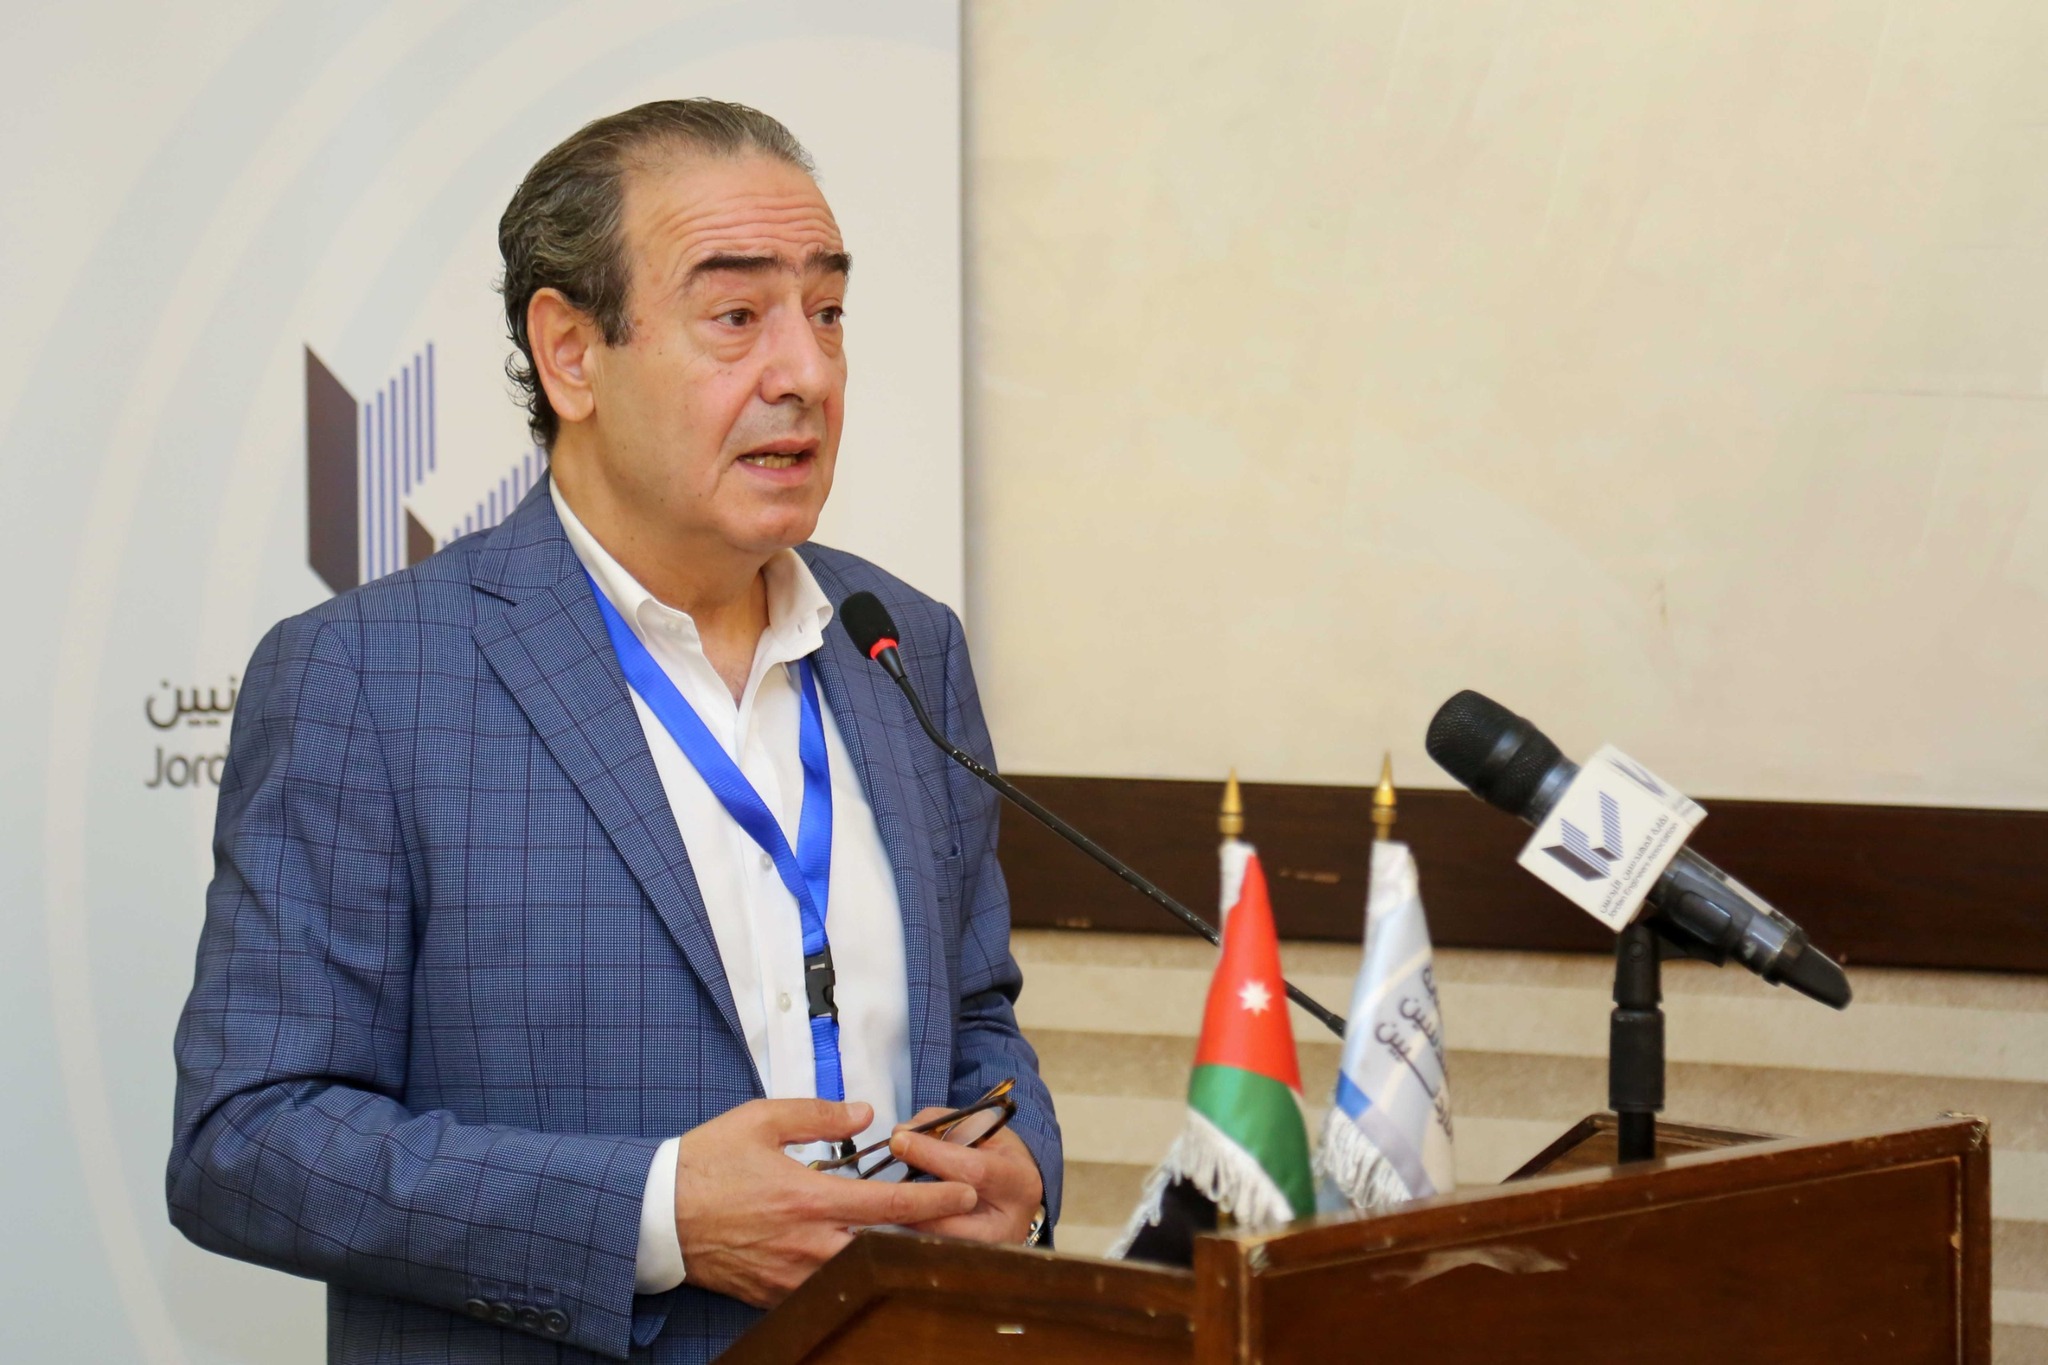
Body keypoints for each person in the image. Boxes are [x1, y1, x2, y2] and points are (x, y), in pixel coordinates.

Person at [168, 98, 1059, 1364]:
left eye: (826, 312)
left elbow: (975, 1017)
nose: (805, 373)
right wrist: (655, 1217)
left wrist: (1021, 1165)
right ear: (570, 353)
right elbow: (246, 1141)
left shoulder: (902, 647)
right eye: (737, 316)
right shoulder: (368, 677)